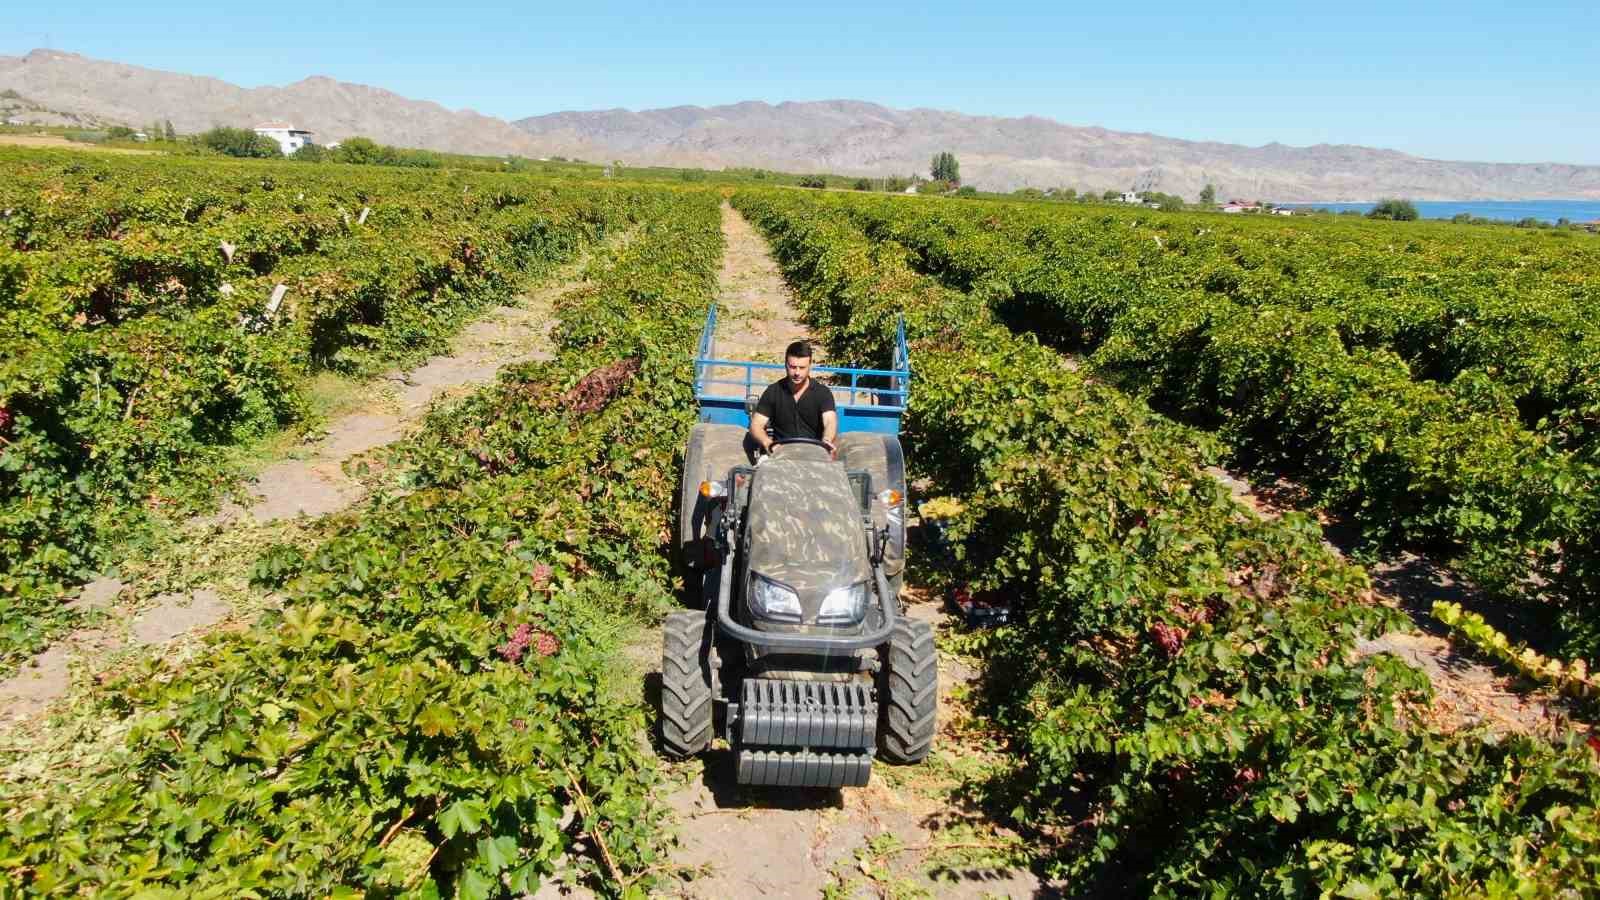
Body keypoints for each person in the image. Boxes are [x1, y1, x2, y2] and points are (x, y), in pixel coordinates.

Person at [749, 340, 838, 456]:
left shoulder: (823, 393)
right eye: (793, 367)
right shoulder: (772, 392)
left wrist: (826, 440)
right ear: (786, 364)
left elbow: (830, 421)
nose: (797, 372)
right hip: (780, 453)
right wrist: (768, 443)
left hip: (814, 454)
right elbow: (756, 425)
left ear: (810, 366)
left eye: (802, 368)